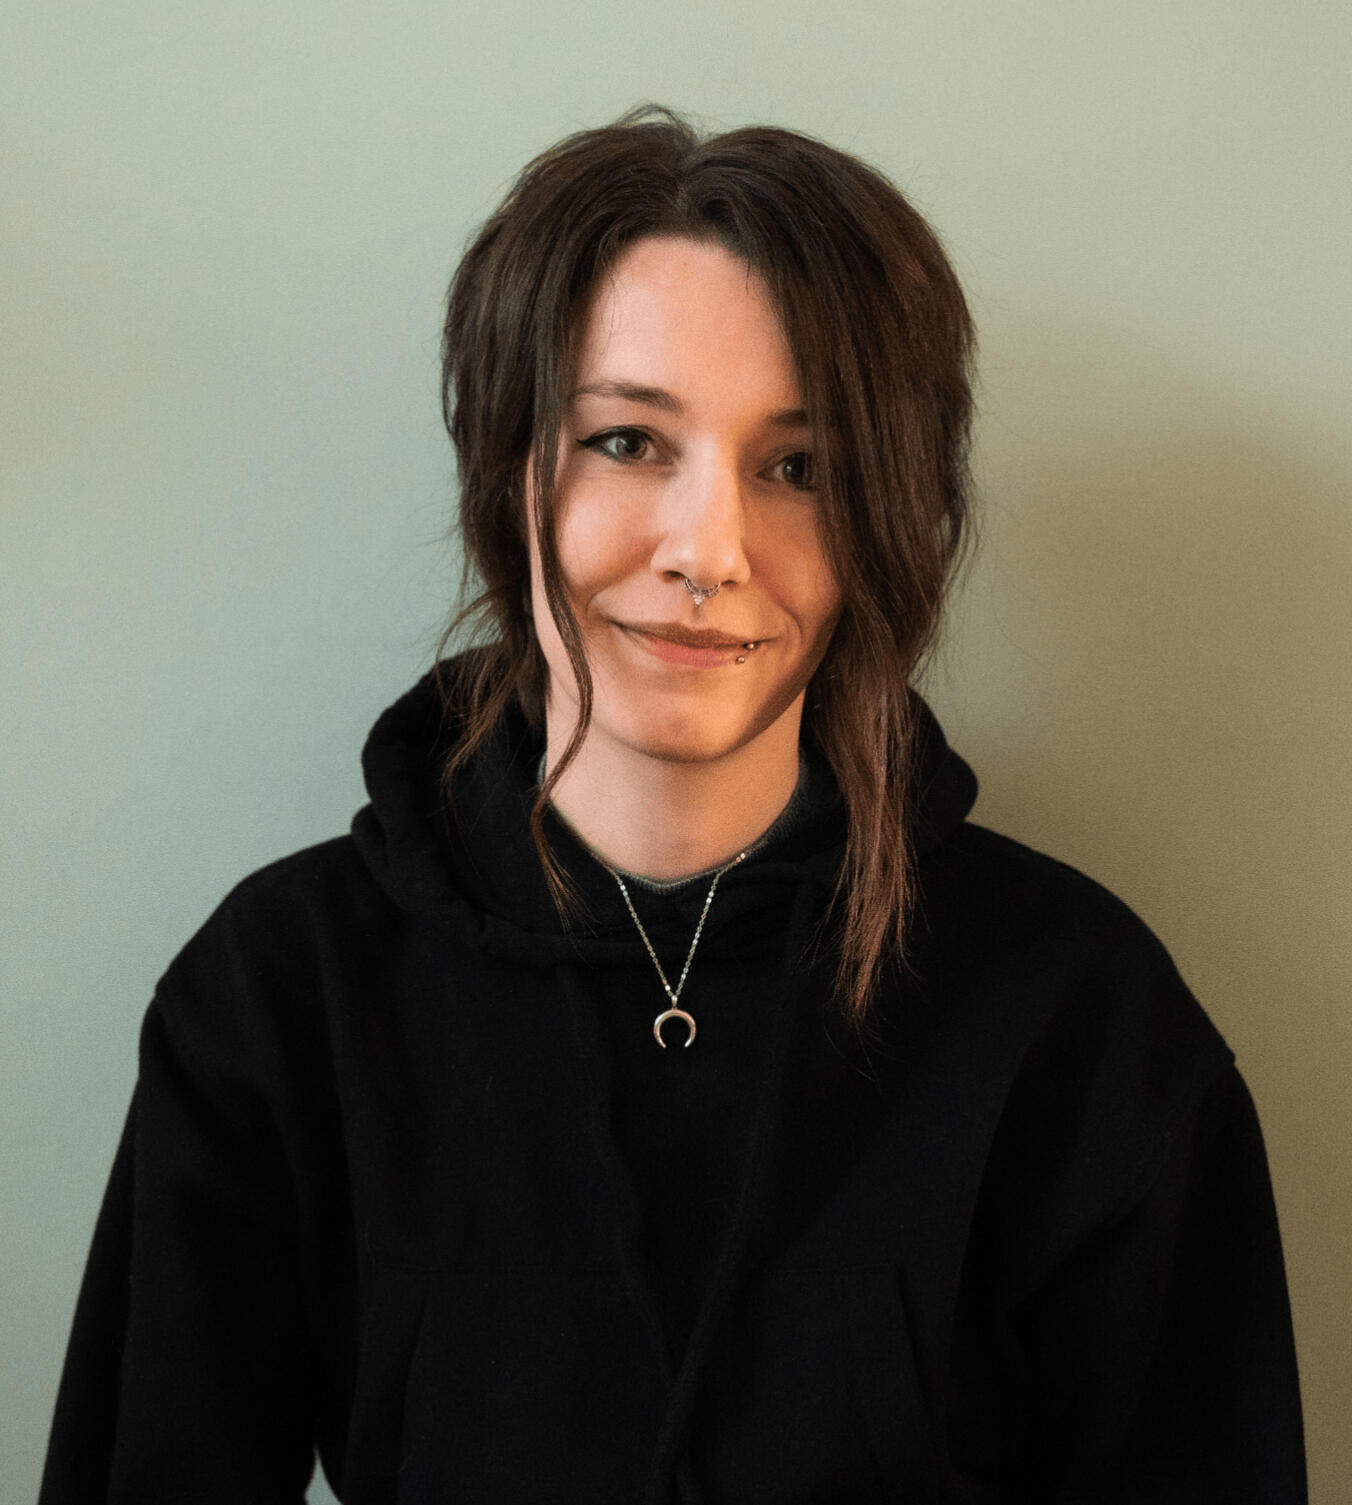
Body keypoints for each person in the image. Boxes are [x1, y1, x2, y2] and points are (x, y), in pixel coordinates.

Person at [40, 106, 1305, 1504]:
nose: (708, 549)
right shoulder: (277, 1000)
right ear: (509, 464)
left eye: (800, 467)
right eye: (629, 442)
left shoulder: (1080, 1019)